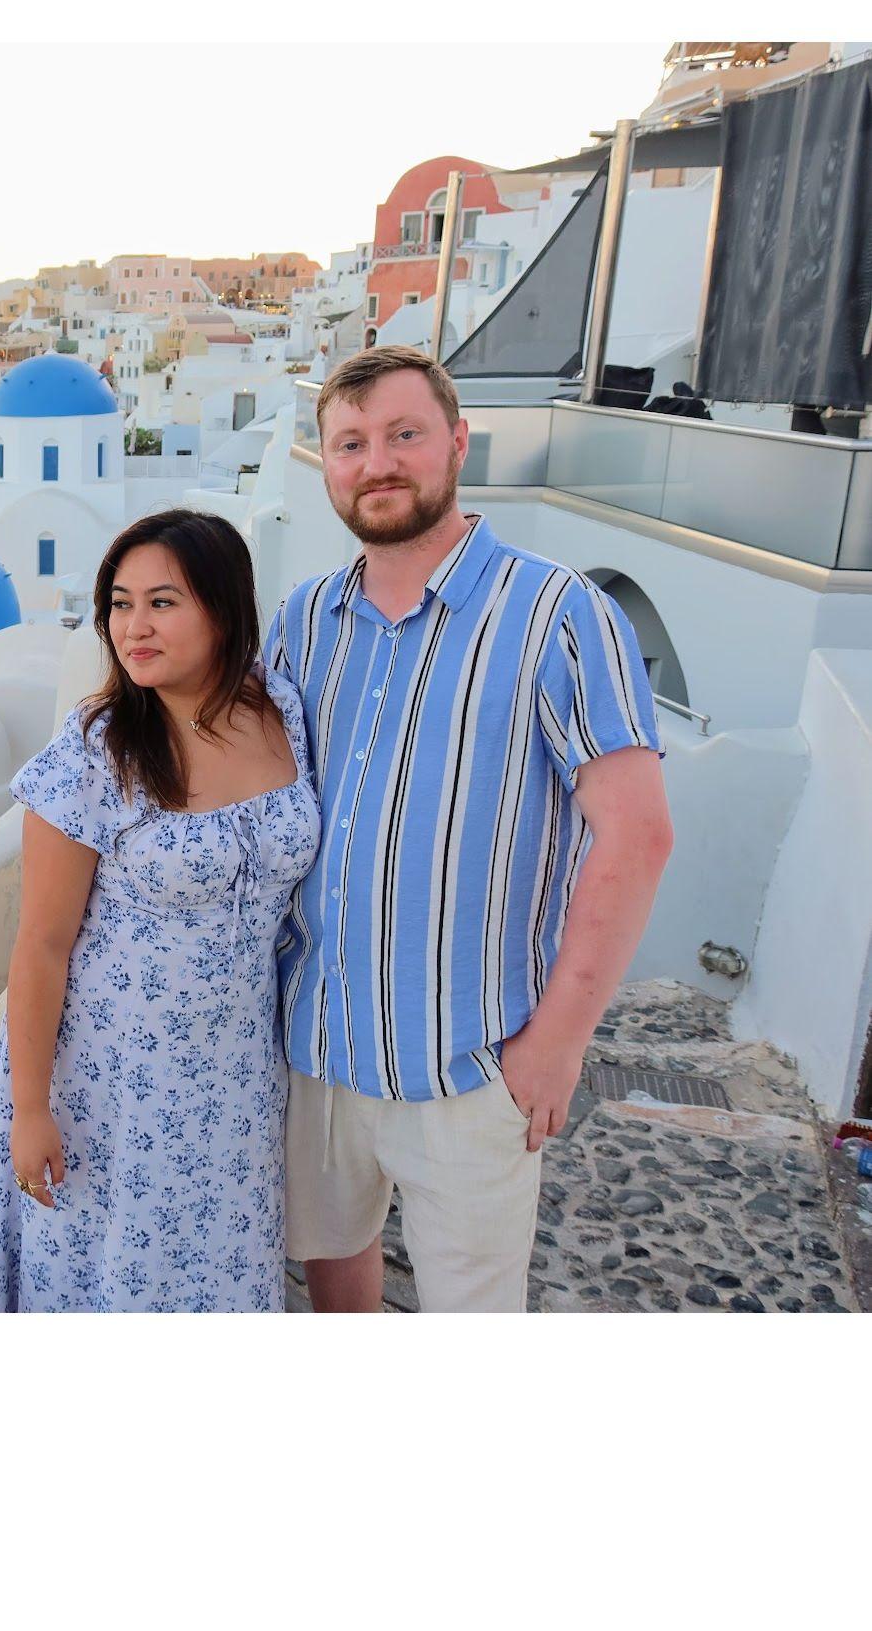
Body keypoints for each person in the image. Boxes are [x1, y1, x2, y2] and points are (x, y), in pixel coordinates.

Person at [267, 344, 674, 1313]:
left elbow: (636, 834)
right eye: (349, 443)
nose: (376, 463)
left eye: (402, 434)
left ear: (455, 441)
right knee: (333, 1273)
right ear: (323, 463)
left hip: (468, 1058)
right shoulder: (301, 620)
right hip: (317, 1044)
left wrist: (559, 1041)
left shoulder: (556, 614)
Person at [0, 509, 320, 1312]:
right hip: (115, 1085)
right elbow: (41, 945)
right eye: (119, 602)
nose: (133, 626)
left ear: (222, 607)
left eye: (162, 602)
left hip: (238, 1073)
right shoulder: (95, 752)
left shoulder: (281, 707)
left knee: (221, 1271)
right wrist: (31, 1110)